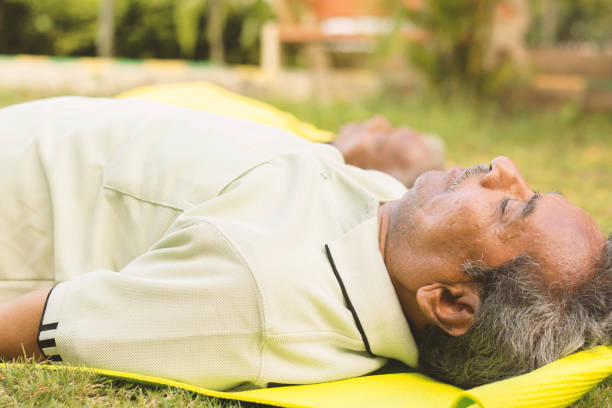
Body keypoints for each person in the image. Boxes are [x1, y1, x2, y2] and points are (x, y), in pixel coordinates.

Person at [0, 97, 609, 390]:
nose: (503, 164)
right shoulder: (395, 240)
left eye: (509, 207)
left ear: (450, 302)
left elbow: (32, 324)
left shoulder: (255, 293)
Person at [118, 81, 445, 187]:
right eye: (386, 126)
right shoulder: (312, 136)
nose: (376, 120)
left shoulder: (282, 167)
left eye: (379, 139)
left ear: (365, 176)